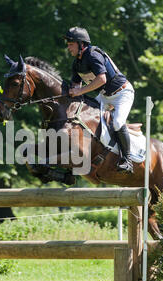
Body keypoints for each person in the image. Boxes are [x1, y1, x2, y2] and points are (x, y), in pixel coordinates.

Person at [63, 26, 135, 174]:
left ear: (81, 44)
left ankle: (128, 161)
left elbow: (101, 79)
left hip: (122, 94)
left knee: (117, 122)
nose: (68, 47)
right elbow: (76, 87)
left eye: (71, 44)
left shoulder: (93, 55)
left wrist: (80, 91)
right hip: (104, 96)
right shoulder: (76, 63)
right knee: (84, 115)